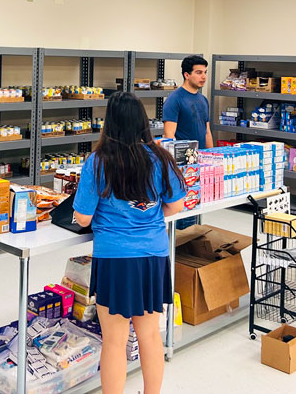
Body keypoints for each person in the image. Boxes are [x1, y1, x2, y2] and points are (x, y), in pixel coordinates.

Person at [73, 92, 186, 394]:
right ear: (143, 122)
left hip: (114, 258)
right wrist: (147, 217)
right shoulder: (161, 158)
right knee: (149, 336)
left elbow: (83, 218)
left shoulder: (98, 162)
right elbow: (176, 206)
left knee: (114, 340)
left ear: (109, 123)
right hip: (153, 255)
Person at [162, 54, 212, 229]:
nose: (203, 76)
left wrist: (211, 157)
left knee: (197, 212)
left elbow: (207, 132)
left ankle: (192, 246)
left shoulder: (203, 100)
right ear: (186, 74)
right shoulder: (175, 100)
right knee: (183, 213)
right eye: (199, 72)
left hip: (201, 163)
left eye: (205, 72)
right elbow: (169, 137)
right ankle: (179, 251)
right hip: (183, 166)